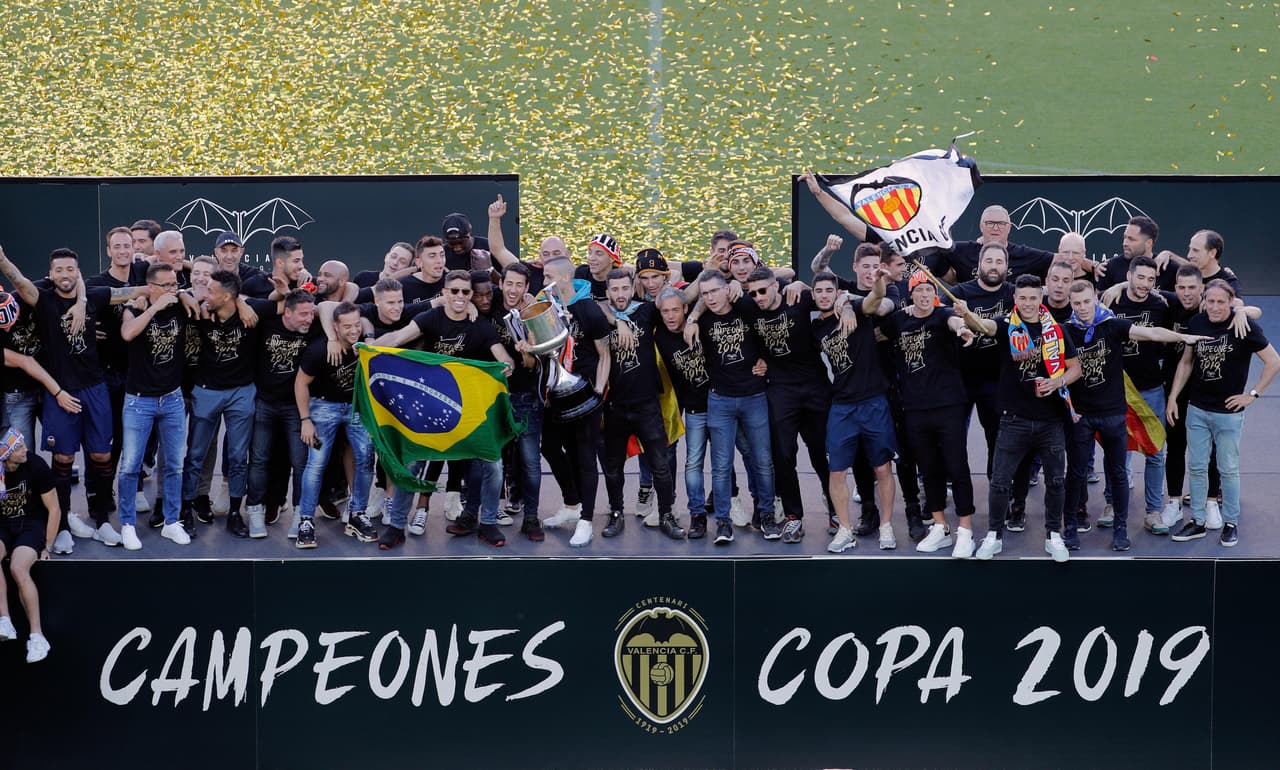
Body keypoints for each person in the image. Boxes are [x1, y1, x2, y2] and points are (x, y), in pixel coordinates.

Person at [0, 246, 144, 548]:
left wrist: (169, 291)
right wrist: (2, 259)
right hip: (59, 391)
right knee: (63, 458)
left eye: (70, 270)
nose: (65, 275)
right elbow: (19, 280)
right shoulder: (43, 300)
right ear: (50, 274)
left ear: (77, 272)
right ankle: (62, 523)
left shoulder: (93, 294)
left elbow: (133, 290)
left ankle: (103, 519)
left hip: (95, 388)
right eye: (59, 270)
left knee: (102, 456)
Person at [373, 272, 515, 548]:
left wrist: (506, 367)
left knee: (493, 465)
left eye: (465, 292)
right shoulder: (430, 319)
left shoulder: (482, 326)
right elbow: (398, 338)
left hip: (472, 411)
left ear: (471, 295)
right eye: (455, 291)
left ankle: (487, 523)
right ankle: (397, 526)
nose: (460, 297)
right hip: (431, 408)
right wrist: (367, 347)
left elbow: (504, 359)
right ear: (445, 293)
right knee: (412, 461)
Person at [1063, 281, 1207, 552]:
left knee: (1118, 472)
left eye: (1086, 302)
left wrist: (1183, 338)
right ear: (1071, 304)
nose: (1082, 308)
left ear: (1096, 299)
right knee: (1076, 473)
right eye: (1076, 303)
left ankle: (1120, 528)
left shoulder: (1114, 325)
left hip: (1114, 415)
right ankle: (1069, 527)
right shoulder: (1065, 331)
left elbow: (1150, 334)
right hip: (1081, 417)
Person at [959, 274, 1082, 562]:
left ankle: (1054, 535)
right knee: (1000, 482)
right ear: (1015, 299)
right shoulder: (1005, 326)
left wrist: (1057, 382)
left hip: (1051, 421)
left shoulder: (1058, 330)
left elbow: (1075, 368)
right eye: (1023, 298)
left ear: (1042, 298)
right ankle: (994, 536)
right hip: (1013, 419)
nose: (1028, 303)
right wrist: (966, 314)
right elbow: (983, 326)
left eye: (1033, 298)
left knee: (1055, 481)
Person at [1167, 280, 1280, 547]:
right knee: (1196, 467)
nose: (1215, 307)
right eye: (1211, 301)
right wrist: (1173, 396)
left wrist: (1252, 395)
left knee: (1227, 469)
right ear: (1204, 301)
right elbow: (1186, 362)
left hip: (1228, 413)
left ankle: (1231, 522)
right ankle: (1197, 521)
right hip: (1196, 408)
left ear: (1231, 302)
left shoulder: (1244, 326)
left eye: (1221, 302)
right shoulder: (1197, 323)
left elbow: (1274, 361)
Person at [879, 272, 979, 557]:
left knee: (956, 467)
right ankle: (940, 527)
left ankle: (965, 530)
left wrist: (963, 328)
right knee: (929, 469)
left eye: (929, 290)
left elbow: (954, 321)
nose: (924, 295)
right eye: (919, 290)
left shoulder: (942, 314)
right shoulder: (899, 320)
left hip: (947, 405)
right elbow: (874, 324)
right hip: (913, 408)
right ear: (911, 294)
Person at [744, 265, 836, 544]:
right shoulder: (749, 307)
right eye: (753, 293)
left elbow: (828, 295)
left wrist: (804, 286)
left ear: (776, 287)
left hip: (814, 386)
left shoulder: (798, 298)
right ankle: (794, 517)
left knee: (822, 454)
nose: (758, 297)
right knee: (783, 455)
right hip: (780, 389)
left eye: (763, 291)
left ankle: (834, 507)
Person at [684, 269, 776, 545]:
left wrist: (767, 361)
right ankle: (723, 522)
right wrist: (692, 317)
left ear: (727, 289)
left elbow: (770, 330)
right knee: (721, 465)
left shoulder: (746, 306)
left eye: (715, 291)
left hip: (754, 396)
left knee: (762, 460)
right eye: (705, 293)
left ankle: (767, 514)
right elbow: (686, 301)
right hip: (720, 399)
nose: (710, 298)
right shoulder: (702, 318)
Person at [810, 269, 894, 552]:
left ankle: (886, 526)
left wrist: (876, 282)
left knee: (882, 468)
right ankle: (845, 529)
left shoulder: (856, 308)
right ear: (814, 295)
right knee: (837, 471)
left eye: (828, 291)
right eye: (818, 291)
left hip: (873, 401)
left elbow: (877, 297)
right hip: (842, 405)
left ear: (837, 293)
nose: (823, 295)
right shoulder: (816, 328)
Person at [598, 270, 681, 540]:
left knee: (660, 464)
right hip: (614, 406)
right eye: (615, 289)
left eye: (625, 288)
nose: (620, 295)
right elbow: (587, 302)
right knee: (613, 467)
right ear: (607, 291)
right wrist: (615, 320)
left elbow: (682, 297)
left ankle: (667, 514)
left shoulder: (646, 311)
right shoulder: (599, 314)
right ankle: (616, 513)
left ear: (632, 289)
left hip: (647, 403)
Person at [534, 258, 610, 547]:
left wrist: (598, 392)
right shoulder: (548, 309)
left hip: (585, 396)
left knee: (585, 457)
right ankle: (571, 503)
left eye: (549, 276)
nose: (544, 282)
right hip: (557, 395)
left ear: (565, 277)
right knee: (550, 447)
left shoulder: (589, 309)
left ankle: (586, 521)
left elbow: (605, 354)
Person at [116, 263, 191, 549]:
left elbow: (199, 298)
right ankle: (127, 524)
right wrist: (154, 307)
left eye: (175, 284)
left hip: (172, 398)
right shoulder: (135, 309)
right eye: (168, 285)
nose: (174, 289)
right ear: (152, 287)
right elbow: (127, 334)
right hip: (139, 400)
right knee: (130, 465)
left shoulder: (180, 305)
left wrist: (183, 296)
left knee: (174, 464)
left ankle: (171, 521)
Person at [293, 302, 378, 549]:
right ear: (335, 328)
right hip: (323, 409)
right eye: (347, 326)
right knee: (317, 462)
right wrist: (306, 420)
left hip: (357, 409)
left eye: (356, 324)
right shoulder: (319, 351)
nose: (354, 330)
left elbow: (369, 325)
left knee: (365, 457)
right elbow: (300, 384)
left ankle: (357, 514)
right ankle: (306, 521)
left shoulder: (365, 342)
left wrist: (368, 336)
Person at [182, 270, 257, 538]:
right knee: (195, 455)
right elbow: (169, 295)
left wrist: (243, 303)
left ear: (228, 296)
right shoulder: (198, 311)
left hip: (241, 391)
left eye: (211, 291)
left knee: (238, 457)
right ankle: (186, 511)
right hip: (206, 391)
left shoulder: (249, 313)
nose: (205, 293)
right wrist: (184, 294)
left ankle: (236, 513)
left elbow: (281, 301)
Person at [1102, 255, 1174, 535]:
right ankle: (1111, 504)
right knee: (1116, 452)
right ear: (1129, 275)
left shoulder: (1161, 303)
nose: (1145, 284)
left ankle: (1153, 512)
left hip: (1152, 389)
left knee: (1156, 451)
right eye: (1140, 277)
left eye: (1151, 279)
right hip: (1117, 390)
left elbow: (1188, 294)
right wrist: (1118, 286)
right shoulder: (1110, 300)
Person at [243, 289, 317, 538]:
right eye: (303, 314)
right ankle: (255, 509)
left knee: (301, 463)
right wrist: (278, 293)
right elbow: (247, 301)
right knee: (259, 460)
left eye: (311, 314)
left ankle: (300, 513)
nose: (308, 319)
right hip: (264, 402)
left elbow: (333, 309)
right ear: (287, 312)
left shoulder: (314, 328)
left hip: (296, 408)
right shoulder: (267, 323)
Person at [653, 287, 714, 538]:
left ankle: (732, 507)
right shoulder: (658, 336)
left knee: (734, 459)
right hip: (691, 407)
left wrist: (694, 318)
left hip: (722, 401)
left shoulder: (703, 323)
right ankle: (696, 513)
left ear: (685, 310)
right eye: (665, 311)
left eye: (675, 310)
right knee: (693, 461)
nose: (670, 316)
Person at [0, 429, 59, 662]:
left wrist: (47, 546)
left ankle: (37, 636)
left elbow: (54, 509)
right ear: (5, 454)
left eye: (24, 445)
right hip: (3, 525)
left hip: (30, 524)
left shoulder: (35, 465)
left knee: (17, 568)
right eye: (19, 448)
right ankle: (5, 621)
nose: (25, 450)